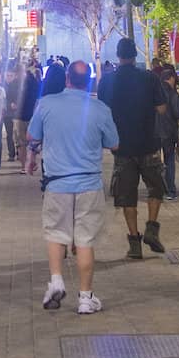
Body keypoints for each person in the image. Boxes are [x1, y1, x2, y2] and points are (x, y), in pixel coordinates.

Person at [26, 60, 119, 313]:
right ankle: (86, 298)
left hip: (57, 183)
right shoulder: (100, 109)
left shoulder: (47, 104)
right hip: (89, 182)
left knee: (56, 234)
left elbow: (32, 135)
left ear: (67, 78)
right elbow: (114, 143)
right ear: (89, 80)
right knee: (86, 240)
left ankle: (56, 281)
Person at [99, 37, 168, 258]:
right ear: (135, 55)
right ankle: (151, 227)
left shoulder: (107, 82)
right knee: (156, 187)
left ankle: (134, 242)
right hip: (148, 143)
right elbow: (162, 108)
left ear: (118, 55)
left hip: (122, 146)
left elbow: (102, 112)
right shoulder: (149, 78)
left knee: (127, 196)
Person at [156, 65, 179, 200]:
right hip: (169, 132)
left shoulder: (154, 93)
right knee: (169, 161)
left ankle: (157, 189)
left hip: (155, 133)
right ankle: (170, 191)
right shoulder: (173, 94)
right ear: (171, 78)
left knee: (155, 162)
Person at [14, 61, 41, 163]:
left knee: (23, 143)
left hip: (23, 116)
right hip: (27, 116)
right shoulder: (33, 81)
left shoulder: (28, 82)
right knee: (26, 143)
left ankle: (26, 164)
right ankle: (27, 163)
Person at [3, 65, 21, 160]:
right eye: (7, 75)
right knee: (9, 134)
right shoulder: (3, 86)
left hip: (17, 113)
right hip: (7, 113)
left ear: (14, 76)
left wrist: (17, 104)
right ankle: (11, 153)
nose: (9, 77)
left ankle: (19, 151)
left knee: (18, 134)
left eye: (11, 75)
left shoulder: (18, 85)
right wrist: (9, 104)